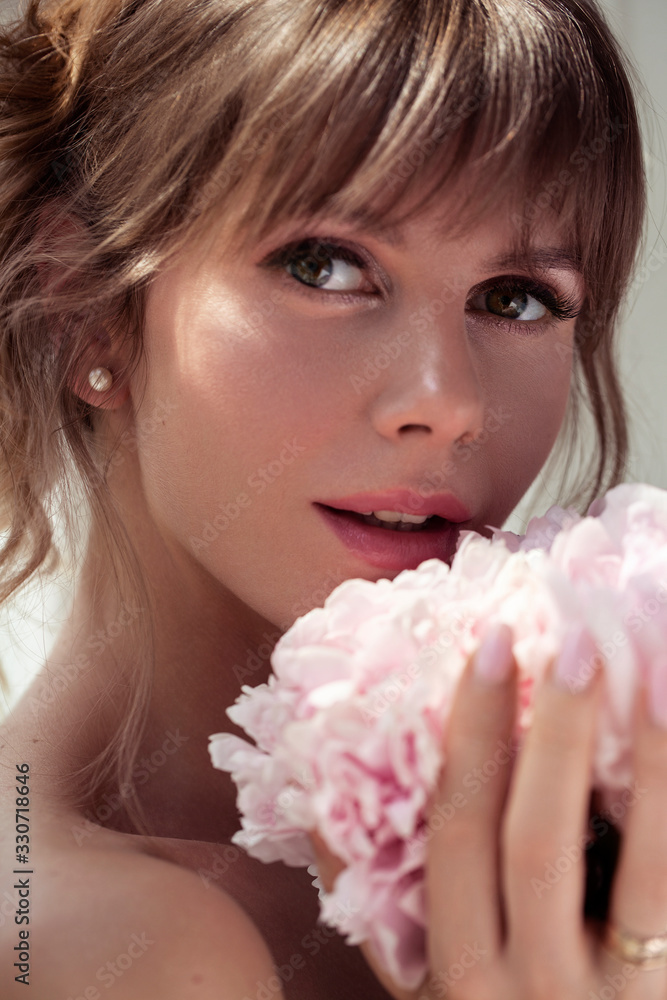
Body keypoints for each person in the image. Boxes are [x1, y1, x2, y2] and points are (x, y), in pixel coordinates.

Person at [0, 0, 663, 997]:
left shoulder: (580, 816)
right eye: (326, 266)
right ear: (84, 303)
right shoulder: (126, 946)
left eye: (514, 297)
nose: (447, 402)